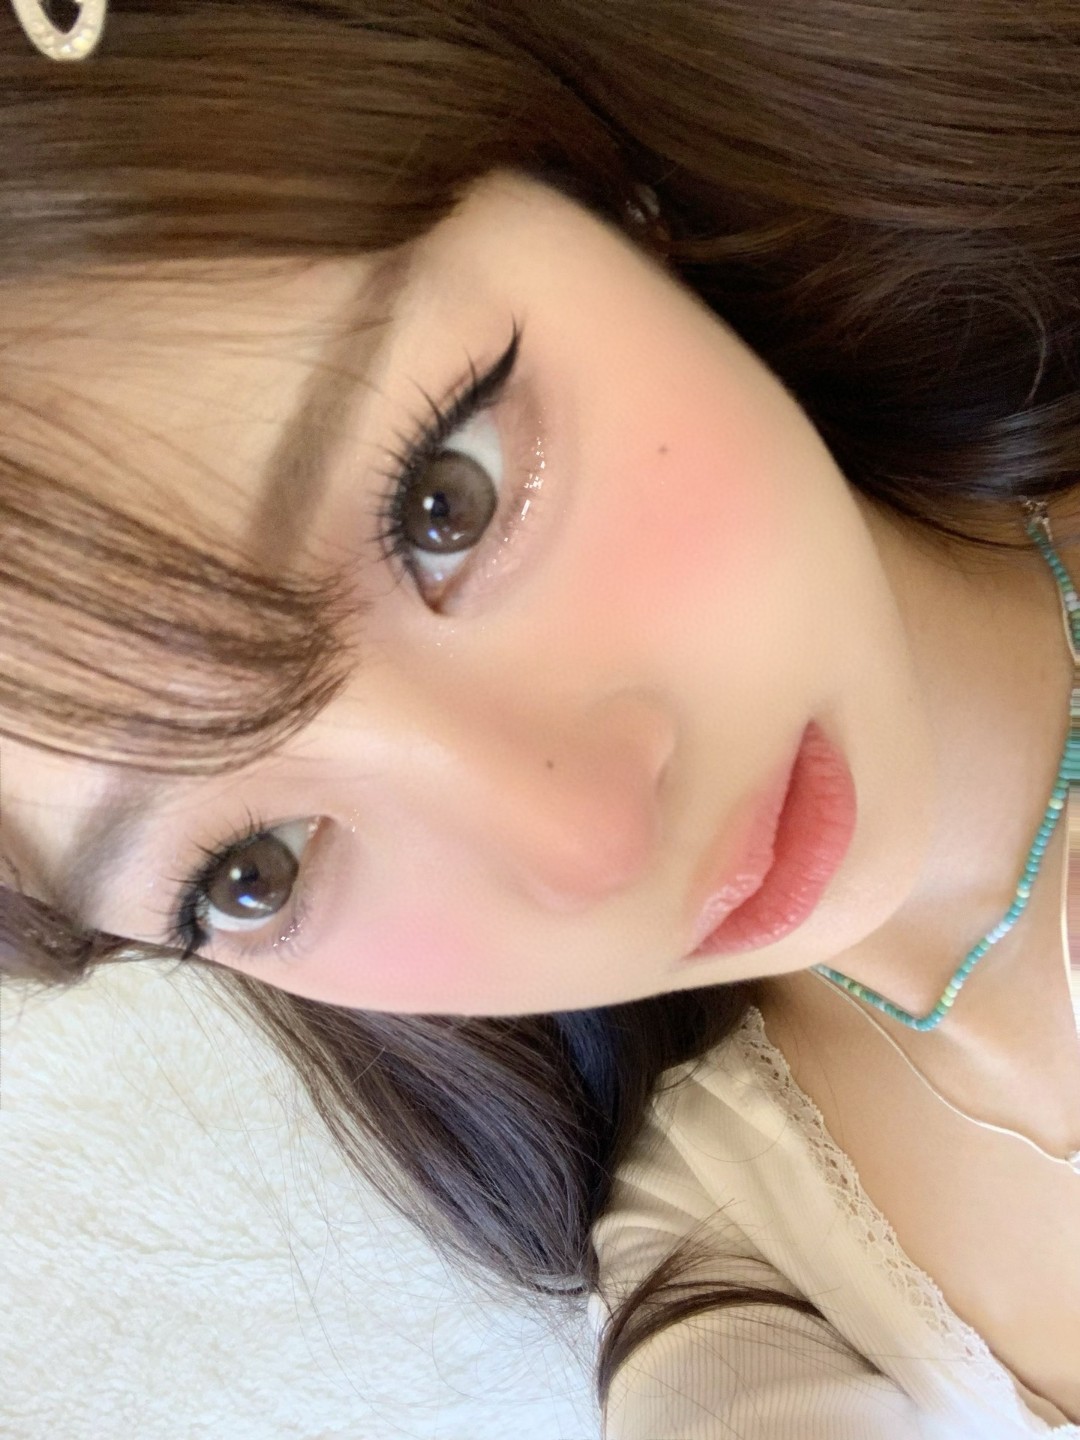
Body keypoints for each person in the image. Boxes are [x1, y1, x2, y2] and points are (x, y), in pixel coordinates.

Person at [2, 0, 1078, 1433]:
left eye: (444, 504)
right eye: (255, 870)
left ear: (595, 192)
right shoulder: (748, 1277)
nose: (589, 844)